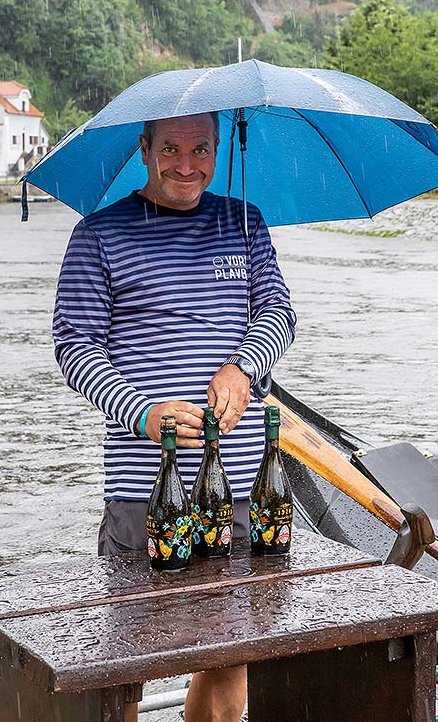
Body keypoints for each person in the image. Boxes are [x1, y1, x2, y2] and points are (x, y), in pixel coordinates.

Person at [53, 112, 296, 722]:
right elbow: (74, 345)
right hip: (144, 486)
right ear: (144, 149)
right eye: (170, 149)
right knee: (127, 658)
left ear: (219, 149)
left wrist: (243, 368)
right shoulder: (98, 236)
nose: (185, 165)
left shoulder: (245, 224)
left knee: (230, 650)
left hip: (239, 483)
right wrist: (141, 413)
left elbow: (279, 313)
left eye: (200, 149)